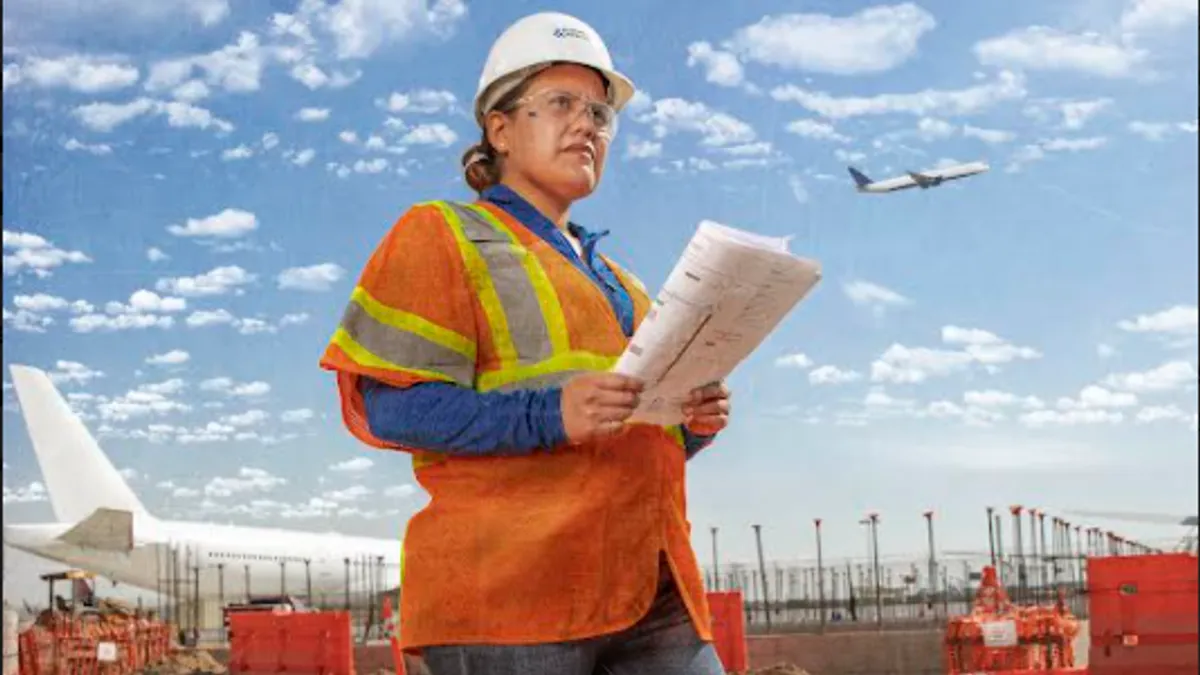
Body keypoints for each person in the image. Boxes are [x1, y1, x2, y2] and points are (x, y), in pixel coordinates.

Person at [319, 11, 732, 675]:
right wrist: (549, 414)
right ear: (500, 128)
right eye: (561, 103)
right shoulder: (442, 234)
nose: (586, 125)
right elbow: (389, 406)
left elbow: (637, 435)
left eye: (600, 113)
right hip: (507, 598)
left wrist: (693, 424)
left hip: (652, 590)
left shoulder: (625, 285)